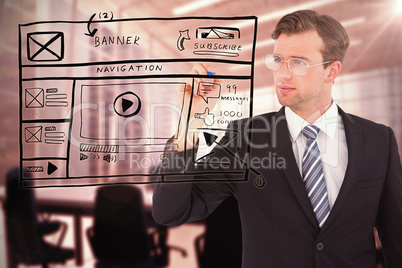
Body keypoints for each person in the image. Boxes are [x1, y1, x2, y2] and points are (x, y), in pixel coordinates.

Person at [152, 10, 402, 267]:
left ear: (331, 71)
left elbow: (396, 237)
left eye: (298, 62)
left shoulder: (378, 140)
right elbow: (170, 212)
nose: (282, 74)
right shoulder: (246, 139)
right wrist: (189, 125)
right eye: (278, 60)